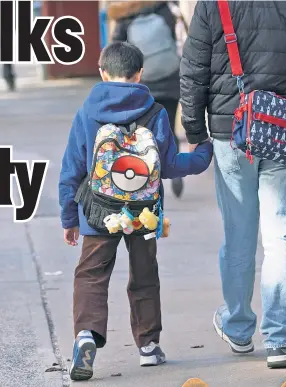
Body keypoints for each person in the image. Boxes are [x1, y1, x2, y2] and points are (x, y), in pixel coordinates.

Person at [59, 42, 213, 381]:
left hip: (98, 211)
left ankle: (86, 334)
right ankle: (148, 346)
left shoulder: (88, 111)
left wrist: (70, 218)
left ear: (102, 72)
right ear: (140, 73)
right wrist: (202, 154)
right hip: (144, 213)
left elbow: (71, 169)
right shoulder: (155, 111)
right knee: (144, 276)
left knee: (90, 275)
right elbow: (169, 165)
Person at [180, 1, 286, 369]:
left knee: (238, 232)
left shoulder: (214, 4)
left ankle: (238, 328)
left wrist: (194, 130)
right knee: (282, 237)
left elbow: (193, 70)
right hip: (285, 128)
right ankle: (280, 340)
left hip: (230, 130)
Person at [108, 1, 184, 198]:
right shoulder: (164, 9)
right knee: (167, 127)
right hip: (170, 78)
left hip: (142, 83)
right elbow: (177, 38)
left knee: (143, 132)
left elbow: (116, 51)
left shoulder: (125, 14)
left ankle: (149, 180)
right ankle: (175, 170)